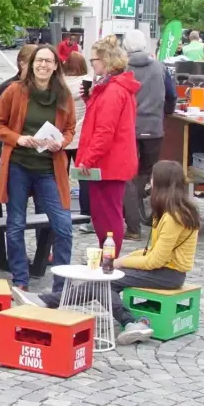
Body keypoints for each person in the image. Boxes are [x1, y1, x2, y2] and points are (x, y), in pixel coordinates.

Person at [0, 46, 77, 296]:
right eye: (39, 60)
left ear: (55, 66)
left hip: (49, 169)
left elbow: (70, 127)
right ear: (31, 64)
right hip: (18, 165)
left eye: (49, 61)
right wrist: (17, 138)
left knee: (63, 226)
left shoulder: (63, 94)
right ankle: (20, 278)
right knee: (16, 223)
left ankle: (60, 286)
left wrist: (62, 142)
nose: (43, 65)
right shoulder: (15, 90)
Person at [109, 160, 200, 345]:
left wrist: (120, 263)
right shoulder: (170, 211)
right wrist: (127, 258)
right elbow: (152, 251)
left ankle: (132, 323)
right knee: (104, 281)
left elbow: (155, 261)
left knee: (106, 283)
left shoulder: (173, 217)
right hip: (166, 270)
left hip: (169, 274)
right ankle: (49, 301)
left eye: (152, 178)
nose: (149, 181)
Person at [74, 36, 140, 261]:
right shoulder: (113, 87)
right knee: (103, 214)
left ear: (104, 60)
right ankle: (106, 256)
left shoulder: (113, 90)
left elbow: (105, 131)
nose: (91, 64)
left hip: (109, 163)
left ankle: (110, 259)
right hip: (110, 162)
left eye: (93, 59)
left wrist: (88, 159)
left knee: (108, 216)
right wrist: (90, 100)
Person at [121, 29, 175, 241]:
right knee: (147, 174)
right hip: (154, 129)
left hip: (129, 129)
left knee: (128, 178)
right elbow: (171, 95)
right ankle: (152, 221)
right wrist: (166, 113)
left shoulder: (122, 69)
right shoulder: (160, 67)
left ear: (126, 47)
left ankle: (133, 228)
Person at [0, 44, 39, 161]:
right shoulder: (7, 87)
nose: (39, 66)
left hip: (41, 152)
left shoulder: (46, 87)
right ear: (22, 63)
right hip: (14, 150)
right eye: (34, 62)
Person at [60, 51, 90, 165]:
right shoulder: (88, 83)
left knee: (62, 174)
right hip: (81, 136)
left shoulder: (60, 83)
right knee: (84, 174)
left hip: (64, 135)